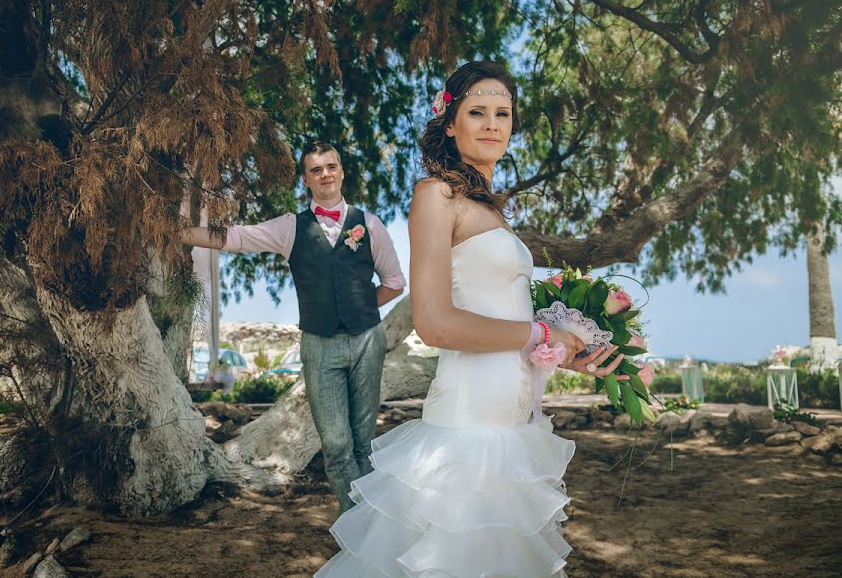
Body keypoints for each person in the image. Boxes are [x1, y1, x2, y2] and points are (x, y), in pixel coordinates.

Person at [315, 62, 622, 577]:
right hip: (464, 442)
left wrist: (569, 354)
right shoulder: (435, 195)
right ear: (450, 122)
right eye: (476, 111)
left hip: (510, 438)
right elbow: (434, 323)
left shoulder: (497, 214)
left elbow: (507, 329)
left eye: (502, 113)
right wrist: (545, 332)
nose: (492, 123)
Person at [182, 142, 406, 514]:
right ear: (306, 179)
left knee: (364, 442)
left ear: (342, 171)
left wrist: (359, 310)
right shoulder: (290, 227)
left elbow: (395, 282)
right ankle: (357, 524)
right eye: (316, 170)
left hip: (368, 339)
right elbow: (237, 238)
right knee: (335, 444)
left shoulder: (369, 225)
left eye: (331, 166)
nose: (325, 174)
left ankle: (375, 526)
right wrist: (181, 234)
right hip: (319, 346)